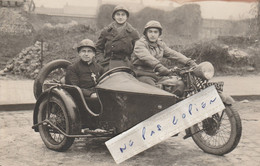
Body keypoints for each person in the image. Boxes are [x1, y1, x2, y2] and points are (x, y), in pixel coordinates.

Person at [132, 20, 196, 96]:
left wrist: (188, 61)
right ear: (146, 33)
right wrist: (159, 67)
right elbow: (147, 57)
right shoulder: (140, 44)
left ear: (159, 34)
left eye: (155, 32)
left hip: (157, 74)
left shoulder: (160, 44)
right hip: (142, 74)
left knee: (179, 84)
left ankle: (174, 101)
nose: (153, 35)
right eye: (150, 32)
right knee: (155, 90)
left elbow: (172, 54)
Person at [95, 4, 140, 70]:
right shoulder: (106, 31)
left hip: (126, 64)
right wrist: (101, 60)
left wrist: (132, 62)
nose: (120, 17)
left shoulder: (133, 33)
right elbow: (98, 48)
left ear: (127, 17)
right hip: (108, 63)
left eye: (123, 15)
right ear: (114, 16)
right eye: (118, 14)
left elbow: (139, 50)